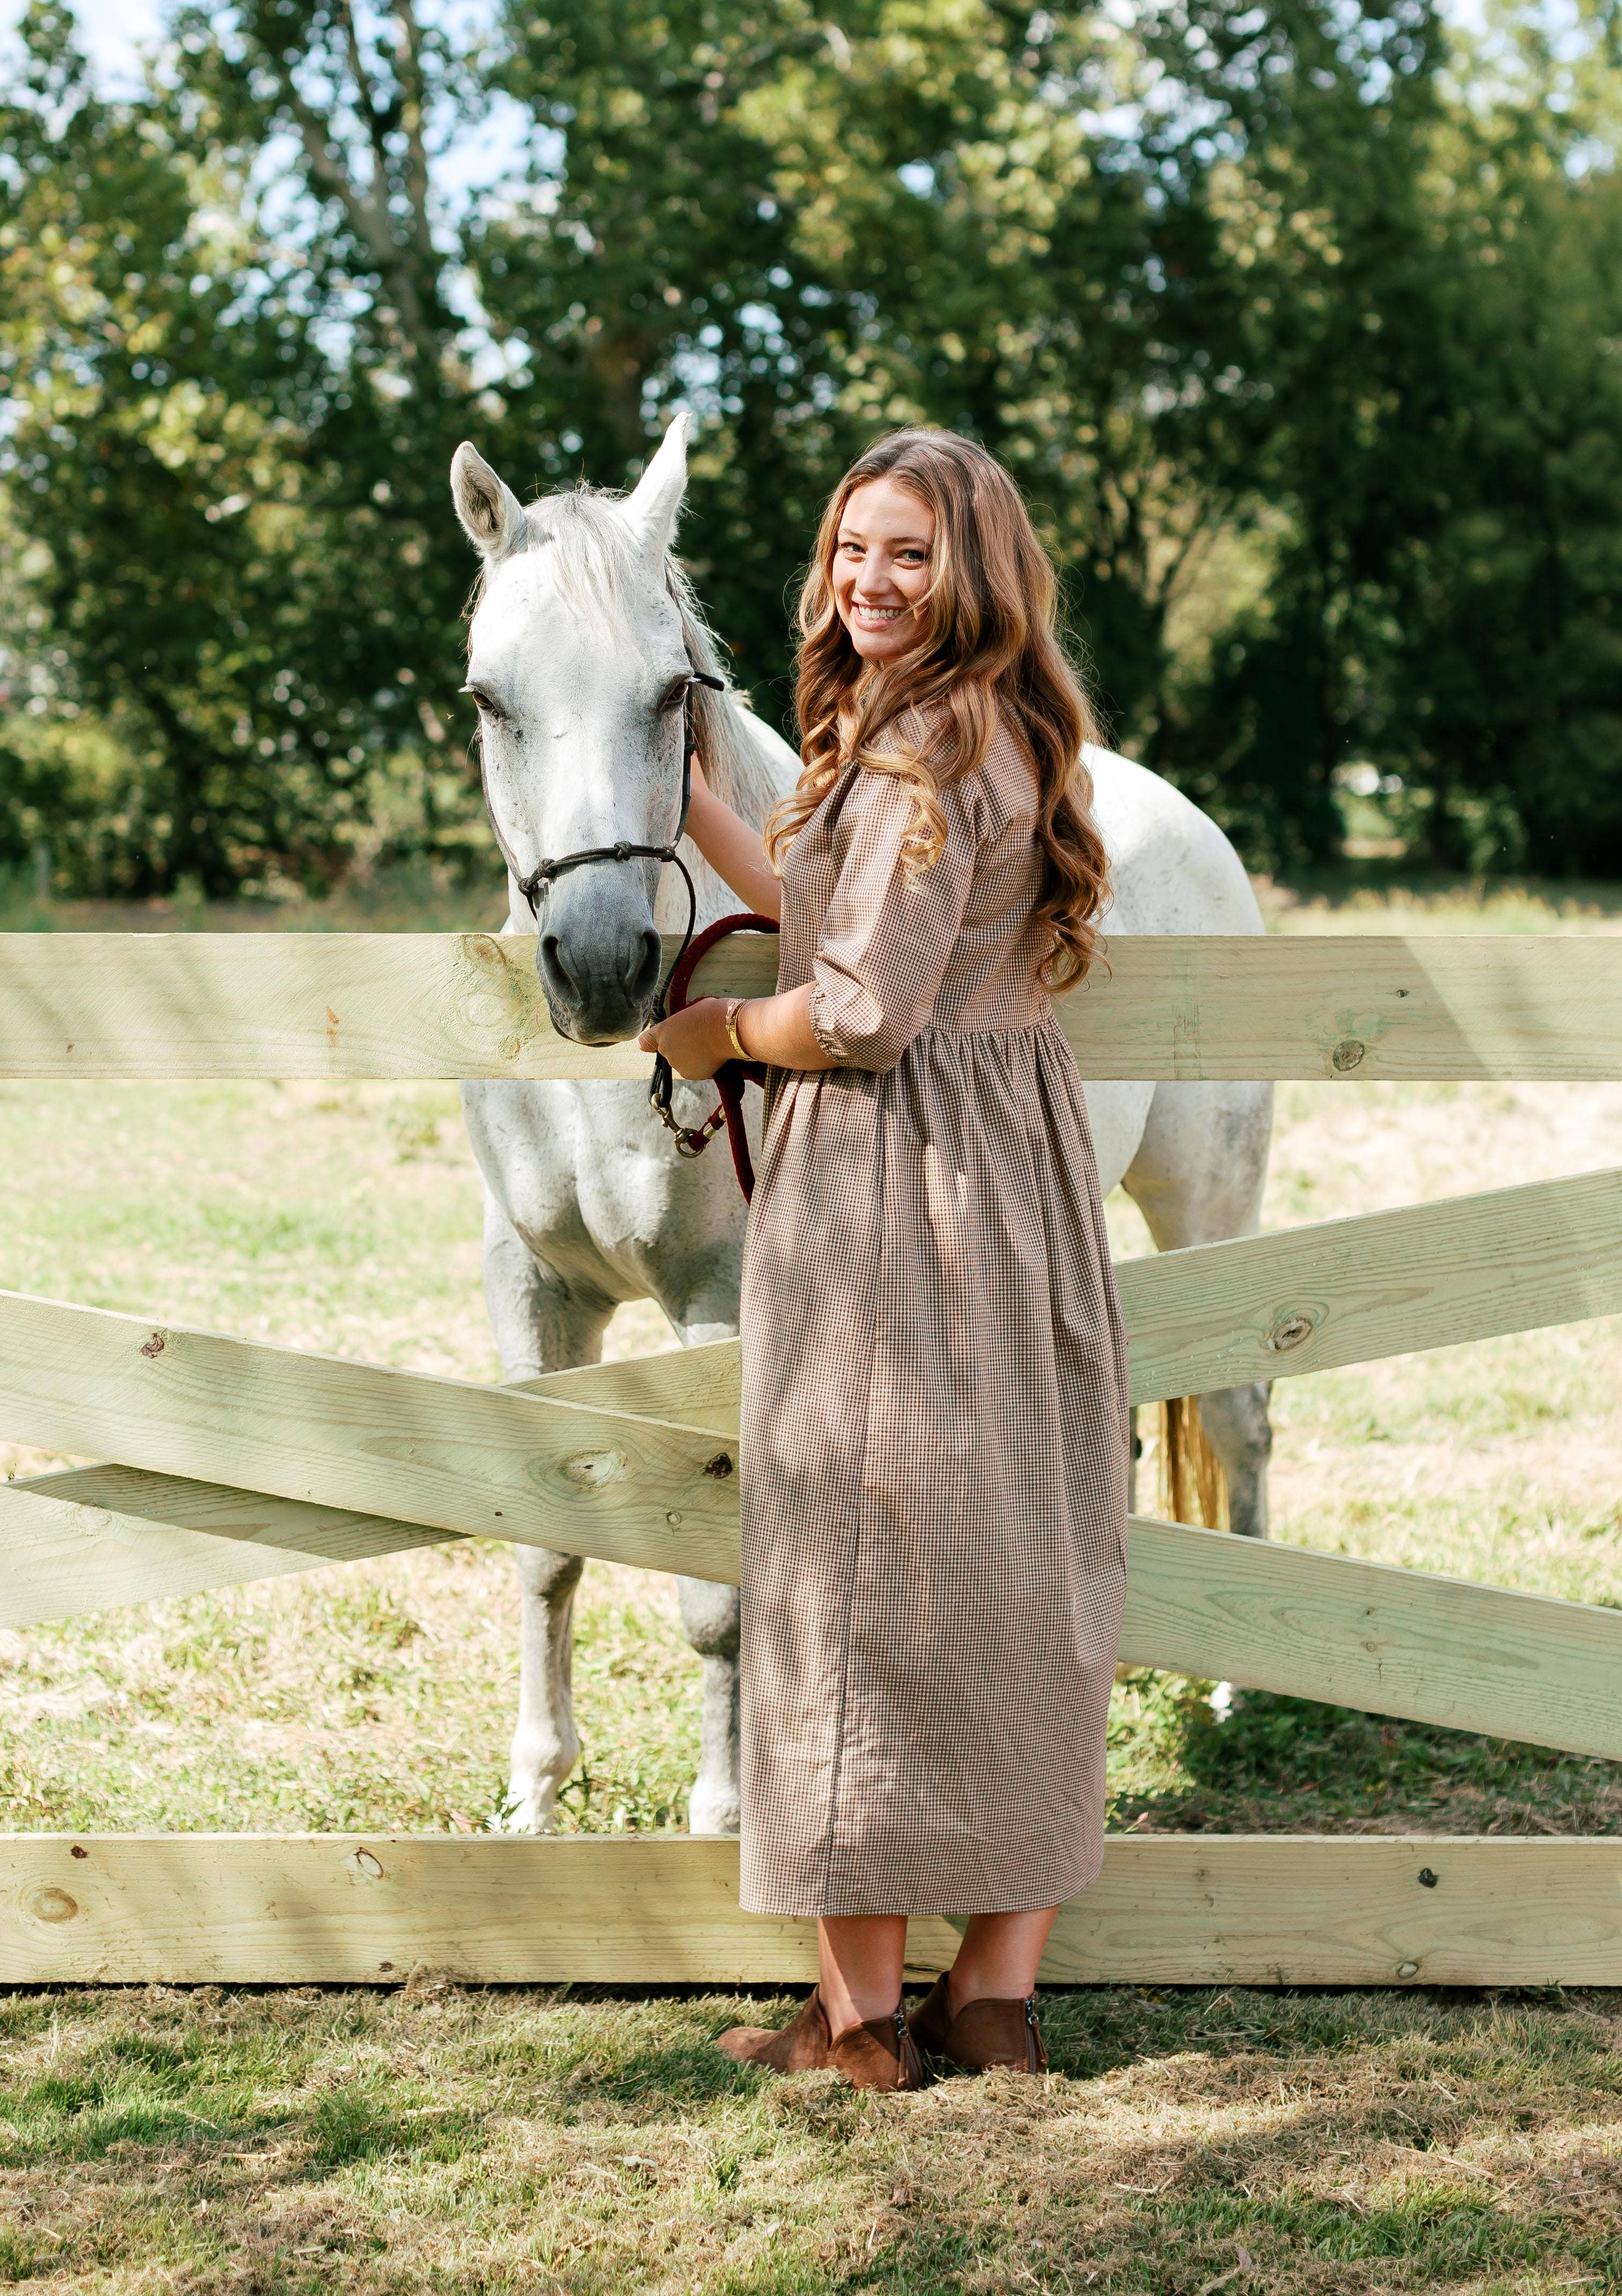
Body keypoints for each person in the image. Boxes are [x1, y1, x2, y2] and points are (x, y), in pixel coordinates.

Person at [640, 427, 1128, 2094]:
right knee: (1022, 1560)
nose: (870, 582)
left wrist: (718, 1028)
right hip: (1017, 1174)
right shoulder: (978, 731)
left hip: (900, 1180)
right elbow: (865, 925)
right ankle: (994, 1996)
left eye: (909, 553)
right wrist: (704, 812)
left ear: (974, 566)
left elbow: (854, 1009)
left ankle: (856, 2024)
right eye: (853, 549)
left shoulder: (919, 756)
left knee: (853, 1569)